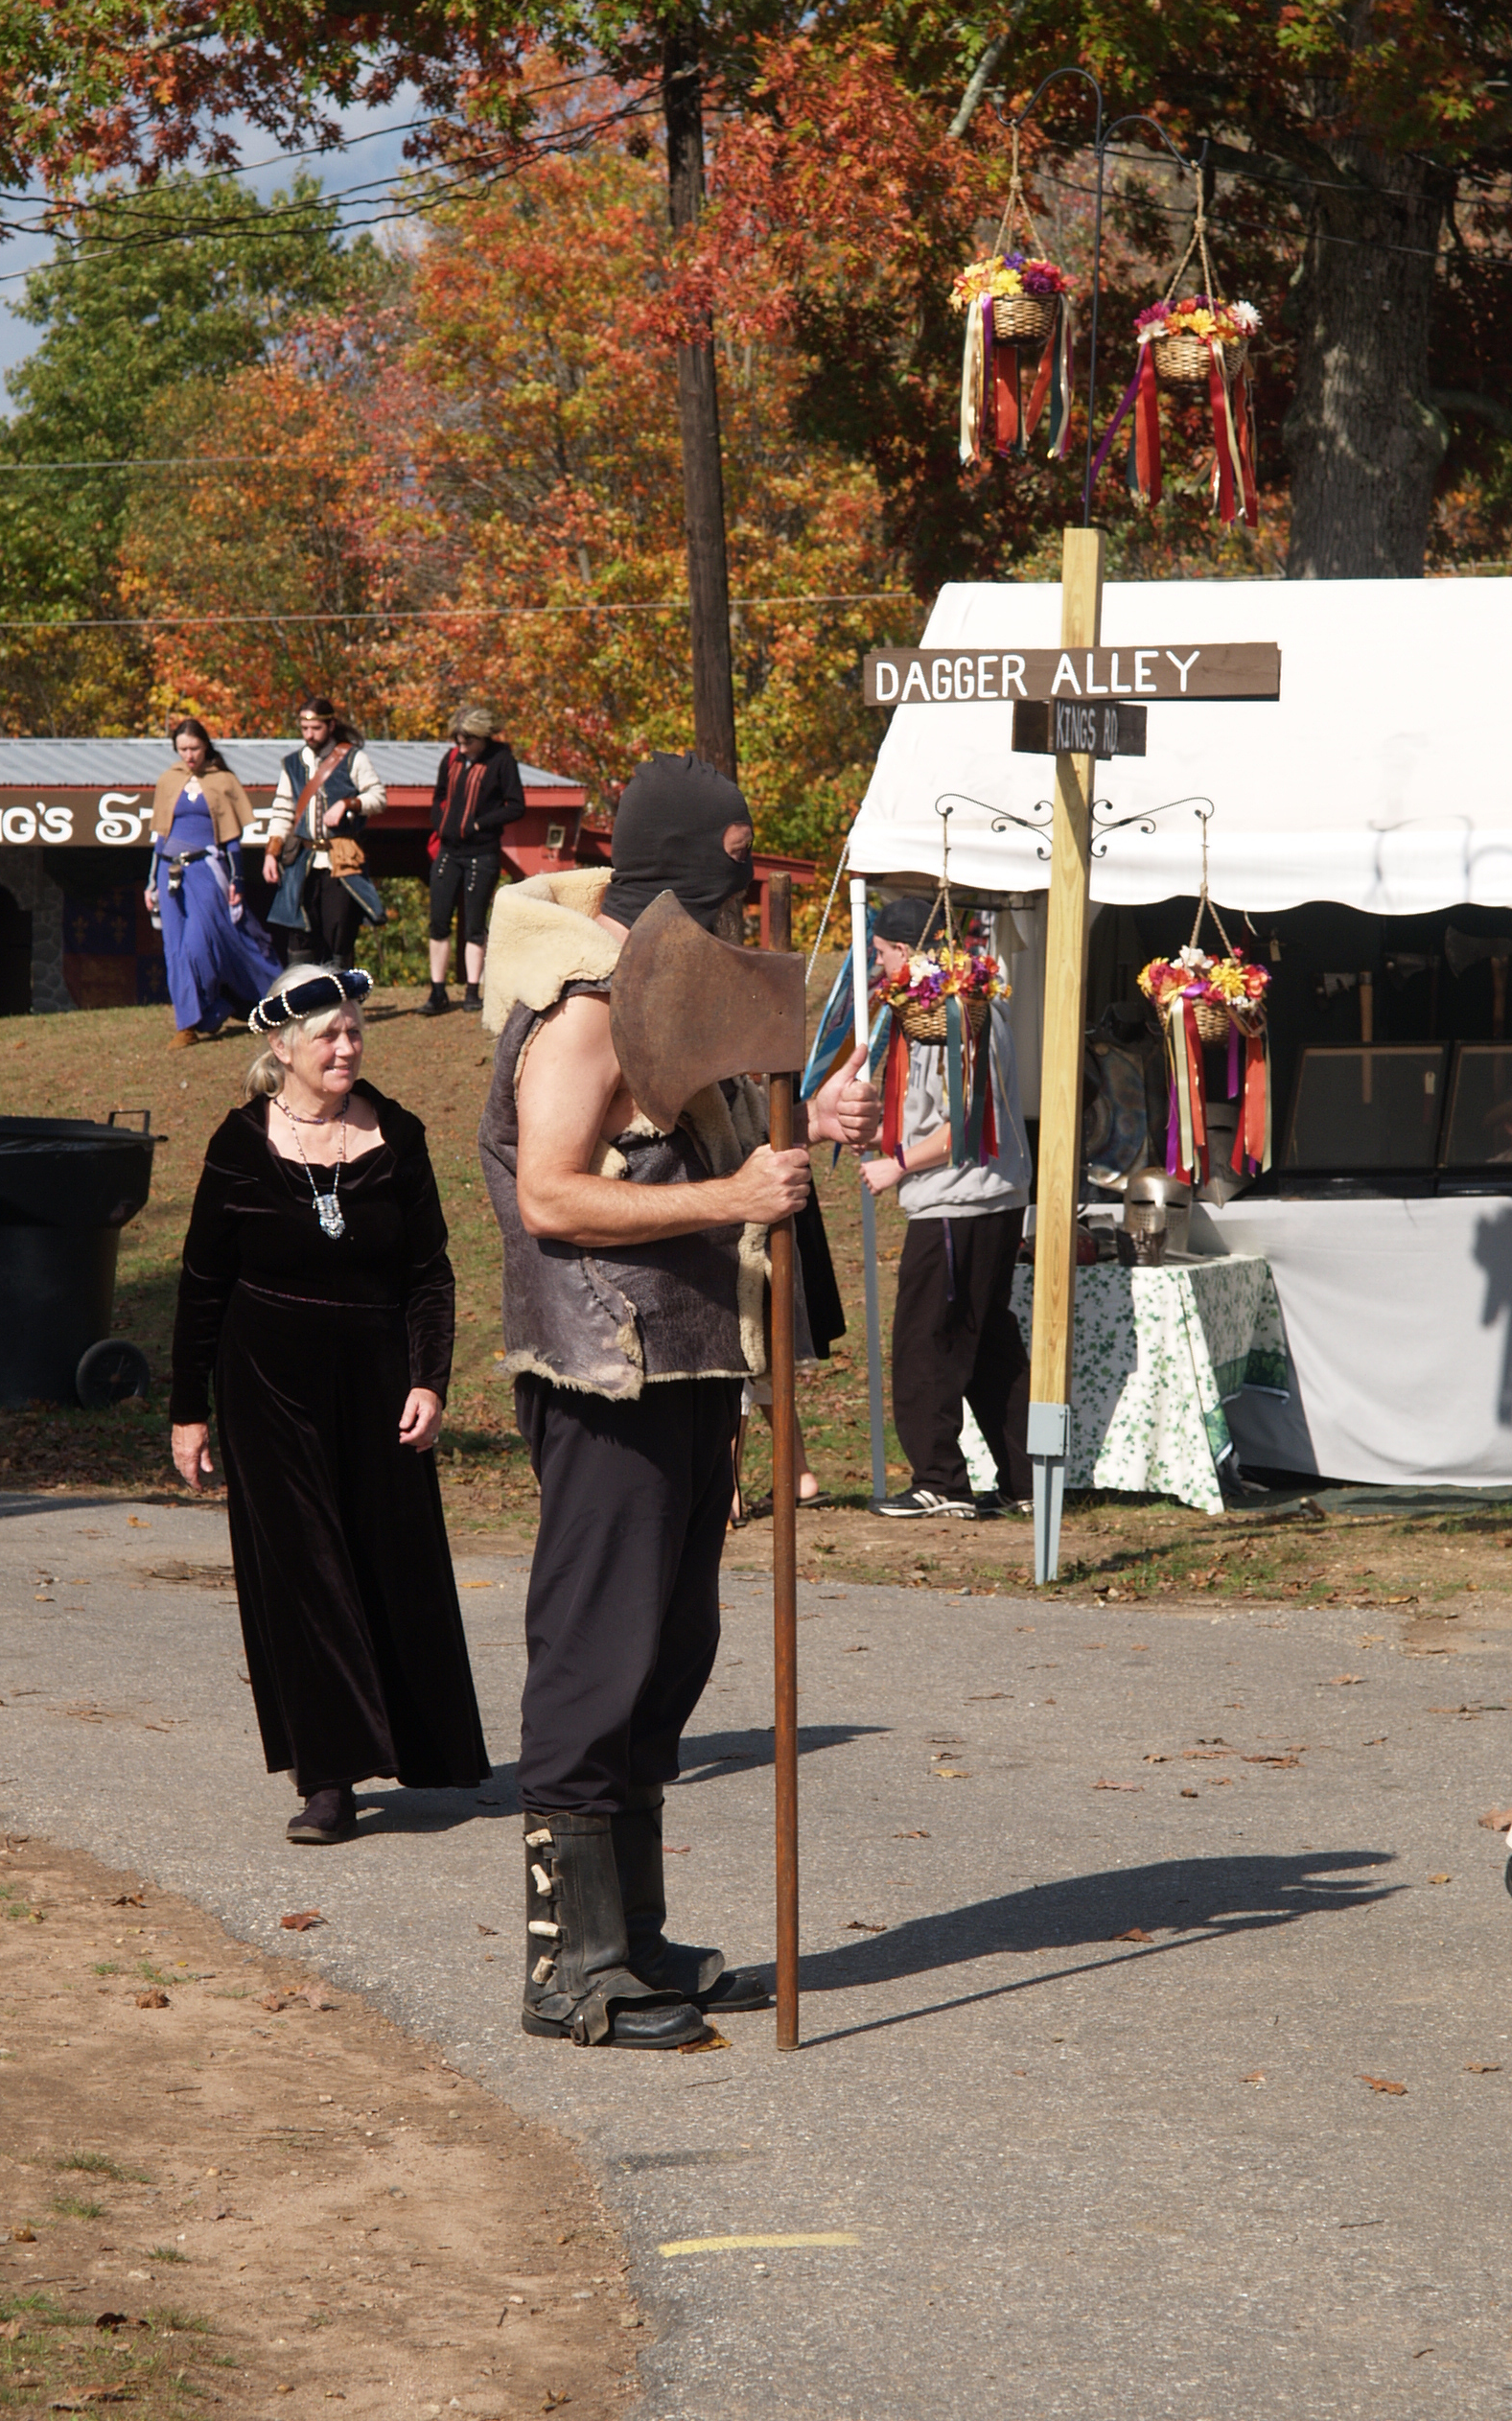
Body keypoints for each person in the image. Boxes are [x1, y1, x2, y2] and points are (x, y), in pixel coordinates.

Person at [477, 752, 880, 2049]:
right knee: (597, 1653)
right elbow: (551, 1194)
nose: (736, 904)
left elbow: (707, 1156)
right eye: (726, 878)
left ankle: (633, 1940)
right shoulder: (583, 1009)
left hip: (690, 1368)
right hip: (610, 1373)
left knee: (664, 1655)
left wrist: (807, 1125)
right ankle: (571, 1970)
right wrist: (736, 1197)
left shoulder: (662, 991)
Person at [170, 964, 491, 1843]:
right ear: (284, 1049)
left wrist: (430, 1379)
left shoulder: (399, 1133)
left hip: (380, 1382)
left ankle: (417, 1747)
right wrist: (188, 1412)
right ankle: (329, 1779)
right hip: (267, 1389)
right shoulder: (240, 1144)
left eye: (355, 1031)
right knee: (305, 1574)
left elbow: (428, 1273)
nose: (347, 1047)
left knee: (389, 1563)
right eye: (329, 1036)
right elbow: (202, 1284)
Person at [861, 895, 1035, 1522]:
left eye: (882, 953)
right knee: (986, 1344)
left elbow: (963, 1118)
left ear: (907, 951)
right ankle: (1025, 1480)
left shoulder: (949, 1013)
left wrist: (897, 1164)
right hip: (986, 1196)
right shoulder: (969, 1005)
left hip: (959, 1201)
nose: (878, 966)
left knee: (925, 1342)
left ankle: (940, 1480)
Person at [146, 716, 280, 1051]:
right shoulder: (168, 779)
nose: (188, 755)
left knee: (200, 945)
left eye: (194, 748)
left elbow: (232, 838)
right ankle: (189, 1024)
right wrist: (151, 884)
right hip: (169, 872)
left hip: (206, 870)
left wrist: (237, 880)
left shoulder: (223, 780)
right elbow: (160, 835)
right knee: (175, 949)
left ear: (205, 745)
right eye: (182, 749)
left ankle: (247, 1001)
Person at [262, 696, 388, 969]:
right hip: (302, 861)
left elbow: (378, 797)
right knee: (300, 933)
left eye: (316, 728)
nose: (309, 734)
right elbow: (283, 809)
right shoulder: (293, 763)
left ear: (331, 725)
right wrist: (272, 853)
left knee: (339, 934)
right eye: (305, 728)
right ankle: (303, 993)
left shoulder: (353, 758)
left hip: (340, 860)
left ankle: (342, 993)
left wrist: (348, 804)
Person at [425, 703, 524, 1014]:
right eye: (458, 741)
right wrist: (441, 822)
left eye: (468, 741)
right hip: (448, 852)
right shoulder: (452, 759)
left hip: (482, 853)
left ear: (483, 736)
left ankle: (472, 991)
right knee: (439, 921)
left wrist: (479, 824)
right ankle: (437, 991)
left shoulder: (502, 760)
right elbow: (439, 795)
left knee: (475, 924)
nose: (462, 747)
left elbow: (516, 805)